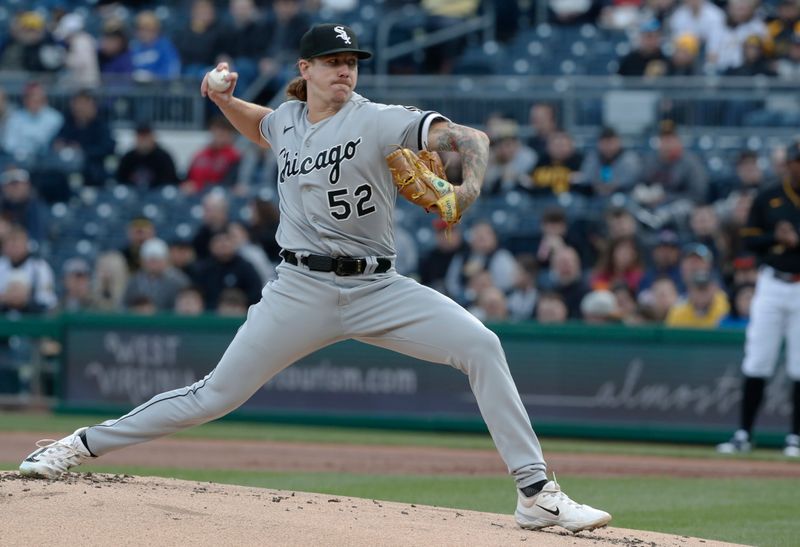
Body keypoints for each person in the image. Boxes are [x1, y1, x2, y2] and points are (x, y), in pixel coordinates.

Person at [19, 23, 611, 534]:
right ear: (306, 68)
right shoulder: (288, 123)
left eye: (351, 62)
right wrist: (220, 98)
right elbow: (261, 125)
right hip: (299, 289)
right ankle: (78, 445)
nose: (345, 72)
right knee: (214, 396)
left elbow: (469, 138)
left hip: (379, 288)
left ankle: (536, 496)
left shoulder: (377, 120)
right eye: (333, 62)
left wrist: (466, 187)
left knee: (482, 345)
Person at [716, 140, 800, 458]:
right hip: (772, 282)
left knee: (799, 364)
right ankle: (744, 434)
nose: (797, 166)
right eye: (795, 161)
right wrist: (776, 239)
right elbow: (749, 240)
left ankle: (795, 437)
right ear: (787, 163)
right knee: (757, 359)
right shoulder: (768, 195)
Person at [115, 124, 180, 189]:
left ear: (153, 137)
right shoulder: (128, 158)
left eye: (146, 136)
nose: (143, 140)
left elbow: (170, 183)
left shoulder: (163, 158)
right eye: (141, 136)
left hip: (156, 196)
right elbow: (120, 181)